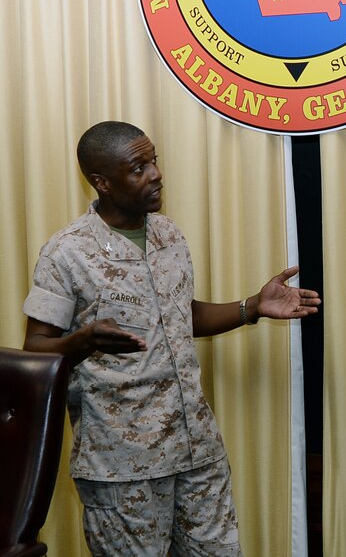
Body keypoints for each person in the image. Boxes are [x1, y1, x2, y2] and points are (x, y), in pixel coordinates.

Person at [22, 121, 320, 556]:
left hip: (197, 452)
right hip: (123, 466)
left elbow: (182, 315)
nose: (156, 174)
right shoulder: (66, 252)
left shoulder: (169, 235)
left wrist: (251, 307)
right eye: (138, 167)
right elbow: (35, 350)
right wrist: (83, 341)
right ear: (101, 182)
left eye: (154, 160)